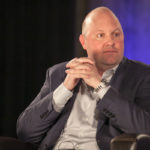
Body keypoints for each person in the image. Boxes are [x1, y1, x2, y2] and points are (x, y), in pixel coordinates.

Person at [16, 6, 150, 150]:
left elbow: (145, 129)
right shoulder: (59, 73)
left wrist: (100, 87)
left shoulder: (141, 75)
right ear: (83, 42)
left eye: (116, 34)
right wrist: (64, 89)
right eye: (101, 35)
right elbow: (25, 132)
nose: (111, 41)